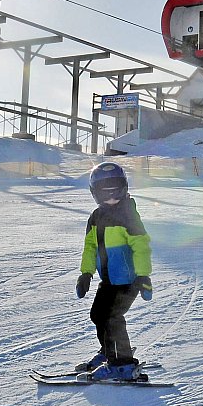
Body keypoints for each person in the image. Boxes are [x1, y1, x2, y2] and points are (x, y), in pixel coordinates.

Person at [74, 162, 153, 381]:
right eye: (104, 193)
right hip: (108, 280)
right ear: (95, 194)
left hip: (128, 281)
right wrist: (86, 273)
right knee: (98, 315)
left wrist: (143, 275)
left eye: (115, 193)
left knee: (112, 317)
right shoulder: (96, 217)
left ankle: (123, 364)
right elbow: (90, 247)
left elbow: (141, 245)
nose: (111, 199)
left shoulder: (128, 215)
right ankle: (109, 352)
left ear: (124, 189)